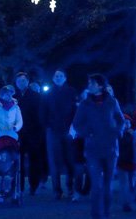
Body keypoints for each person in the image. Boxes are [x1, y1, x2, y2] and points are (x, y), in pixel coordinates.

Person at [73, 74, 125, 219]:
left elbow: (120, 120)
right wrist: (87, 133)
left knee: (108, 185)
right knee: (96, 185)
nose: (89, 85)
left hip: (110, 149)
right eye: (89, 83)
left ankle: (107, 214)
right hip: (93, 149)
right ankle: (96, 215)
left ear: (100, 85)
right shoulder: (85, 104)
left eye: (92, 83)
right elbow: (77, 123)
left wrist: (117, 132)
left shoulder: (112, 102)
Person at [41, 69, 77, 200]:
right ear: (53, 78)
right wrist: (47, 126)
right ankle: (57, 190)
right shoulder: (48, 93)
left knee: (70, 160)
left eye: (61, 75)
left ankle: (71, 187)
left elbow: (75, 109)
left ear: (65, 78)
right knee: (54, 161)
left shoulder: (71, 91)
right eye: (56, 76)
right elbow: (43, 111)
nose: (58, 78)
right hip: (53, 130)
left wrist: (73, 127)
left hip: (68, 130)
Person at [14, 72, 43, 195]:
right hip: (17, 133)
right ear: (16, 83)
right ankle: (18, 186)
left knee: (33, 160)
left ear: (27, 81)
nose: (21, 83)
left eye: (23, 80)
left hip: (33, 132)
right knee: (17, 160)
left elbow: (40, 115)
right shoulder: (13, 96)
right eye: (19, 81)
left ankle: (33, 185)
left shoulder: (36, 96)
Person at [117, 119, 136, 212]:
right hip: (123, 161)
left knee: (130, 183)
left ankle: (129, 200)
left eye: (128, 123)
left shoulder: (132, 134)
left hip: (130, 161)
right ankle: (126, 202)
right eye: (125, 123)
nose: (126, 125)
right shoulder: (119, 134)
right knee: (125, 183)